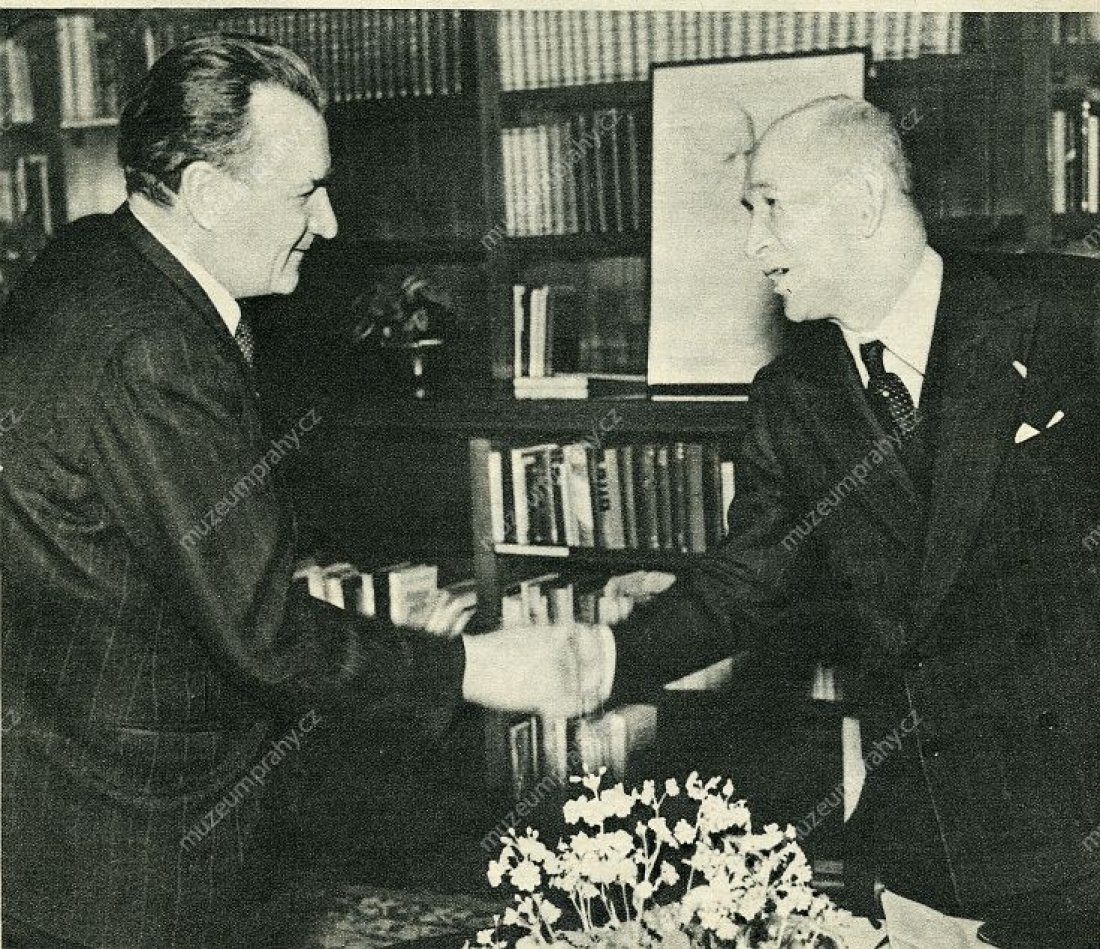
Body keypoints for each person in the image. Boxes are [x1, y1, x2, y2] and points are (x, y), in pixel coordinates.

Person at [0, 35, 611, 949]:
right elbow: (267, 637)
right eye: (304, 193)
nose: (326, 223)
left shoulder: (89, 259)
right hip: (133, 854)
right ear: (207, 194)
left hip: (55, 800)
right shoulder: (156, 350)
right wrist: (479, 667)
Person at [605, 96, 1100, 945]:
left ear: (864, 201)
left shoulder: (1067, 314)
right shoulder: (790, 399)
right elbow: (742, 586)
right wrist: (604, 657)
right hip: (922, 847)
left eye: (772, 206)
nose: (755, 243)